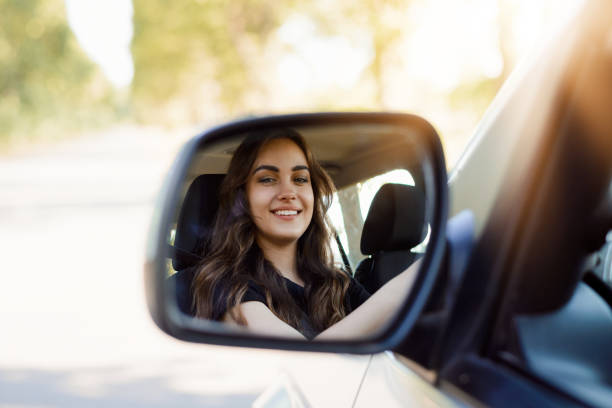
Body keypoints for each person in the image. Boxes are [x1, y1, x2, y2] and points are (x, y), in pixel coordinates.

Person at [191, 128, 419, 340]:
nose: (288, 192)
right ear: (243, 198)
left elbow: (397, 339)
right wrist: (412, 280)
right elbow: (304, 362)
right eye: (268, 179)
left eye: (300, 179)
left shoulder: (337, 282)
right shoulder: (225, 286)